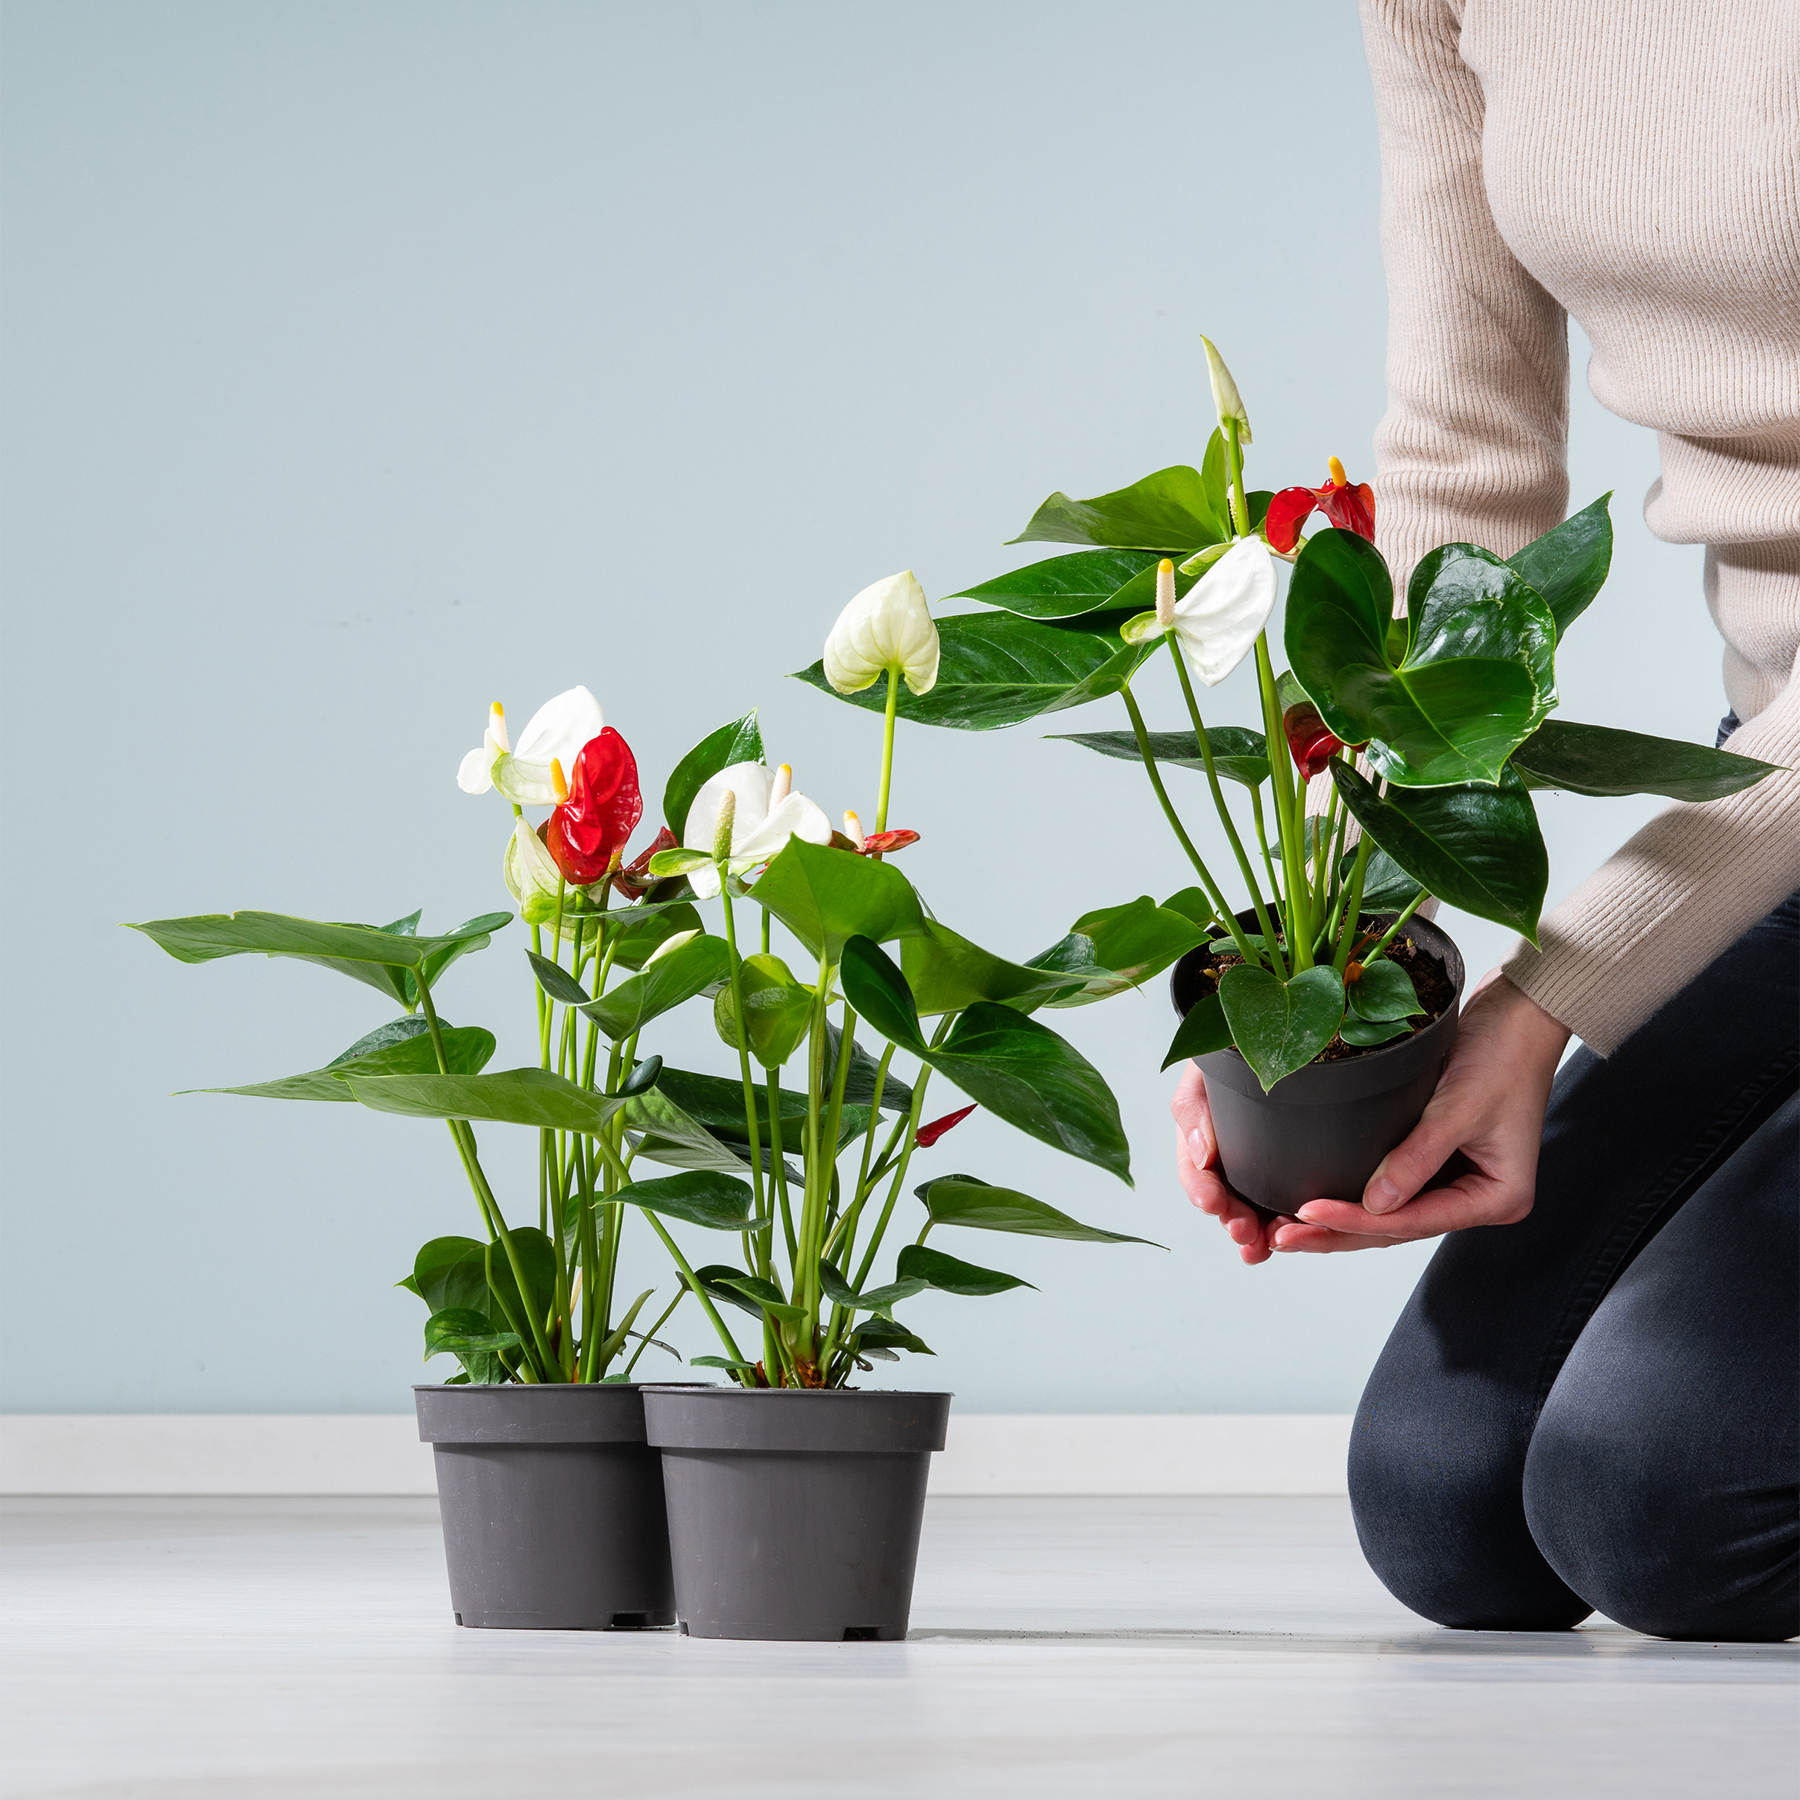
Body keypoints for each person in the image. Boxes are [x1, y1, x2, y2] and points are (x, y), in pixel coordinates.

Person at [1175, 0, 1800, 1642]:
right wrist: (1325, 973)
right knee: (1451, 1504)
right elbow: (1466, 477)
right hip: (1782, 798)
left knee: (1666, 1504)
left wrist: (1543, 1010)